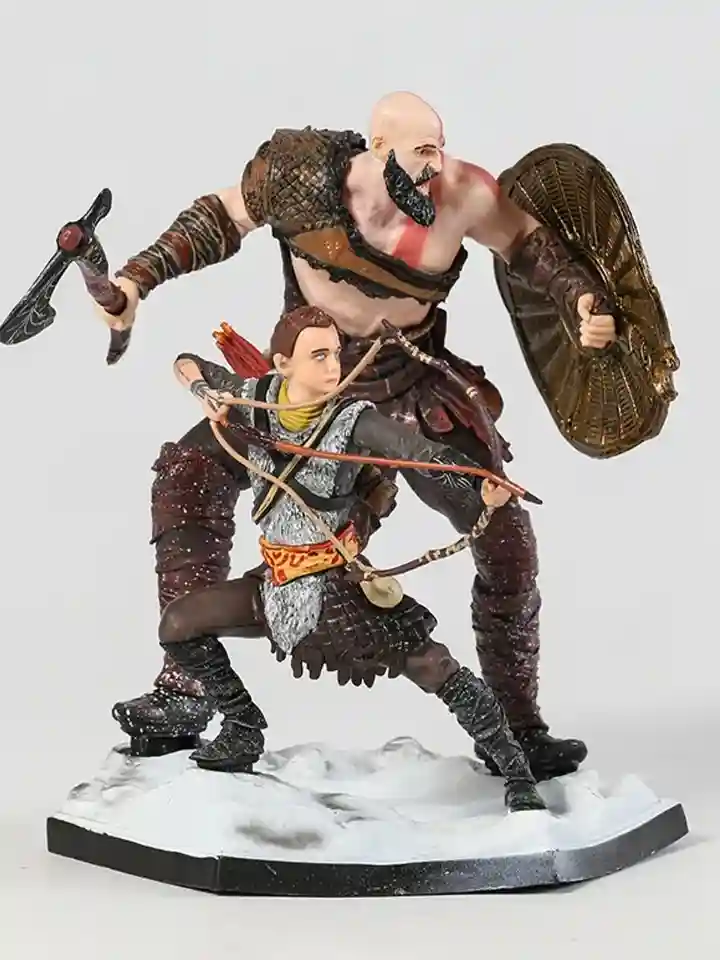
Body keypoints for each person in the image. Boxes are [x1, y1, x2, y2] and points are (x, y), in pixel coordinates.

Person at [101, 90, 615, 779]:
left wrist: (582, 300)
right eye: (421, 152)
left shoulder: (462, 194)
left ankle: (518, 725)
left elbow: (530, 245)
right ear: (379, 149)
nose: (435, 166)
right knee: (189, 472)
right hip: (301, 397)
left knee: (505, 536)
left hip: (411, 396)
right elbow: (219, 217)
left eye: (439, 148)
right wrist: (136, 281)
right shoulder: (297, 175)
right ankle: (186, 690)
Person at [157, 305, 547, 814]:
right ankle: (242, 726)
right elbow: (187, 362)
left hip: (333, 588)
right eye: (318, 356)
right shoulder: (254, 400)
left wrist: (478, 484)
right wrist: (203, 392)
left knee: (433, 664)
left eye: (336, 354)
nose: (333, 367)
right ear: (283, 364)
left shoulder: (352, 420)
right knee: (179, 624)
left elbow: (417, 451)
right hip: (275, 580)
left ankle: (517, 771)